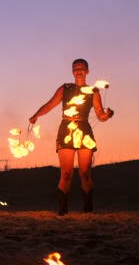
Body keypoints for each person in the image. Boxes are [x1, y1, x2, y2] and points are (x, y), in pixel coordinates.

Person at [28, 59, 114, 215]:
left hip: (84, 130)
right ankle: (62, 211)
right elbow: (49, 105)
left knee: (85, 172)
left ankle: (88, 209)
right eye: (75, 68)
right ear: (72, 72)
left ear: (87, 71)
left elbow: (100, 115)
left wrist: (108, 115)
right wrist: (36, 115)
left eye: (81, 68)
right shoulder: (65, 88)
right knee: (66, 173)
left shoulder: (93, 91)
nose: (78, 70)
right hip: (66, 130)